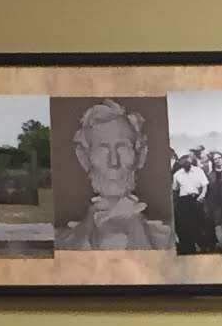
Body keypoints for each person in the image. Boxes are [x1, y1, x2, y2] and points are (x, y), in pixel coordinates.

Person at [55, 99, 173, 252]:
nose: (113, 162)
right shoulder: (60, 240)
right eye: (102, 149)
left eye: (123, 147)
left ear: (141, 155)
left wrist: (135, 225)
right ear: (83, 157)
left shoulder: (169, 237)